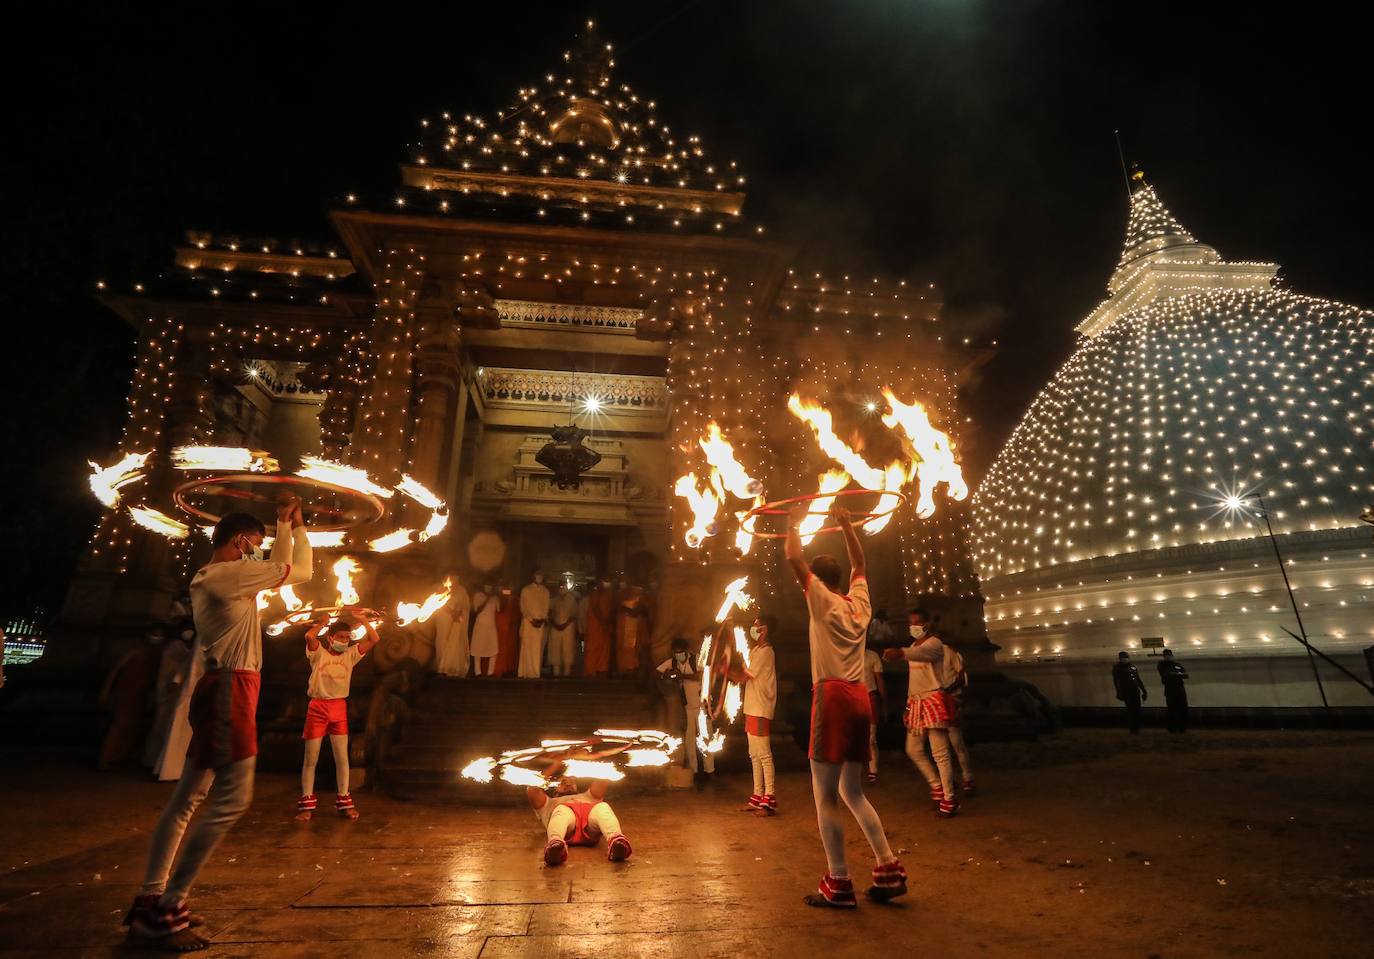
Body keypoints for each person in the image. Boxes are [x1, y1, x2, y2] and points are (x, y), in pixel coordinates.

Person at [125, 499, 312, 950]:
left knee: (188, 798)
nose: (258, 553)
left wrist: (286, 526)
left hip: (223, 686)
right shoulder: (229, 575)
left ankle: (152, 898)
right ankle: (168, 910)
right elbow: (300, 571)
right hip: (232, 689)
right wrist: (294, 528)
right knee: (232, 799)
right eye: (256, 544)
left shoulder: (217, 577)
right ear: (242, 542)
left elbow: (286, 566)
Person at [785, 504, 906, 908]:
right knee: (852, 791)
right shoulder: (859, 603)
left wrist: (792, 522)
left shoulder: (820, 599)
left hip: (834, 697)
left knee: (825, 796)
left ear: (818, 581)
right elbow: (860, 563)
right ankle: (888, 868)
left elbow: (793, 558)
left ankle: (838, 883)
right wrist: (846, 524)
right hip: (859, 696)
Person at [296, 616, 382, 821]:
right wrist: (322, 623)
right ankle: (306, 806)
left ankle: (344, 802)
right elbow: (309, 636)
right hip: (318, 707)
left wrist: (363, 620)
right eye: (340, 637)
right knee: (311, 758)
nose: (344, 641)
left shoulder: (351, 655)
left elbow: (374, 638)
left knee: (342, 758)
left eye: (347, 637)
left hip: (338, 708)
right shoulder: (318, 653)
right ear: (330, 637)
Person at [885, 608, 960, 815]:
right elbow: (913, 680)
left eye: (917, 622)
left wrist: (900, 653)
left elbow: (922, 654)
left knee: (940, 753)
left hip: (933, 699)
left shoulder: (935, 644)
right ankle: (937, 786)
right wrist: (908, 707)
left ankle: (949, 798)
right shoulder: (912, 646)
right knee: (913, 749)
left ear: (927, 624)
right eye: (911, 623)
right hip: (917, 702)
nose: (914, 626)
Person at [527, 757, 633, 866]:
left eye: (571, 781)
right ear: (554, 788)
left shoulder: (589, 796)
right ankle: (555, 846)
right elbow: (532, 788)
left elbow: (604, 776)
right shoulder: (548, 804)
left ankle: (617, 842)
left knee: (603, 807)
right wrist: (557, 763)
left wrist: (586, 757)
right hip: (567, 826)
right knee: (561, 810)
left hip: (590, 827)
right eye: (563, 782)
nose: (568, 784)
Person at [98, 625, 166, 769]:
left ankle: (119, 757)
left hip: (140, 693)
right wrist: (106, 690)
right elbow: (116, 669)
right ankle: (106, 758)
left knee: (132, 725)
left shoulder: (155, 655)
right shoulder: (135, 650)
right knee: (119, 724)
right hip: (125, 692)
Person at [656, 638, 715, 779]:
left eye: (681, 652)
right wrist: (666, 675)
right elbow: (657, 672)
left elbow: (701, 675)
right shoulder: (672, 663)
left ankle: (709, 770)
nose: (679, 655)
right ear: (673, 653)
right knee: (689, 741)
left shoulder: (696, 660)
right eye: (676, 653)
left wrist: (682, 676)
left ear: (687, 651)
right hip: (687, 708)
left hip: (702, 707)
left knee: (706, 738)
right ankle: (693, 771)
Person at [144, 619, 196, 769]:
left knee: (166, 726)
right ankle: (152, 760)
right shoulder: (175, 646)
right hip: (168, 690)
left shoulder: (185, 648)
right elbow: (185, 661)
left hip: (175, 692)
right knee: (160, 727)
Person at [740, 613, 778, 814]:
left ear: (765, 630)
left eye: (756, 626)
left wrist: (727, 669)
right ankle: (757, 796)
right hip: (751, 707)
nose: (753, 629)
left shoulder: (766, 652)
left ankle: (769, 798)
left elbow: (747, 675)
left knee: (764, 754)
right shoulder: (755, 650)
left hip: (761, 707)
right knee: (753, 754)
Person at [432, 574, 471, 678]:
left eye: (456, 577)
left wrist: (458, 613)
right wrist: (450, 611)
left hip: (457, 620)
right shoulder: (440, 588)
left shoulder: (461, 591)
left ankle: (454, 667)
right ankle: (441, 666)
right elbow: (436, 603)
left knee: (455, 641)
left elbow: (465, 605)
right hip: (444, 617)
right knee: (442, 640)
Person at [518, 570, 550, 679]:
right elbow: (523, 607)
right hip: (528, 623)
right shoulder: (526, 590)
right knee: (527, 647)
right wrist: (531, 619)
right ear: (533, 576)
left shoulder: (545, 591)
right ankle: (525, 672)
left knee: (537, 648)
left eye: (541, 575)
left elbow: (546, 606)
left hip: (540, 624)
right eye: (537, 575)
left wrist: (541, 619)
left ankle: (535, 673)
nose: (539, 577)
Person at [862, 642, 886, 783]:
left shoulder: (872, 656)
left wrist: (883, 702)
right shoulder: (845, 655)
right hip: (851, 697)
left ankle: (873, 770)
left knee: (870, 738)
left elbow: (879, 680)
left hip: (869, 696)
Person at [582, 579, 614, 678]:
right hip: (595, 628)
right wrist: (603, 622)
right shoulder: (594, 593)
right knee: (592, 650)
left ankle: (602, 671)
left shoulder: (608, 595)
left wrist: (607, 623)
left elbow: (611, 610)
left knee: (604, 651)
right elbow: (596, 608)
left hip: (605, 629)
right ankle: (590, 673)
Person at [614, 580, 645, 678]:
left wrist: (627, 609)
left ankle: (632, 669)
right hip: (623, 629)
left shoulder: (640, 599)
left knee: (633, 649)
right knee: (623, 649)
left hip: (634, 629)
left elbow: (636, 612)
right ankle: (623, 670)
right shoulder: (621, 598)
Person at [547, 582, 578, 677]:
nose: (561, 588)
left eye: (563, 586)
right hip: (555, 628)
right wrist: (555, 625)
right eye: (560, 586)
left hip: (568, 628)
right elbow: (549, 613)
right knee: (555, 648)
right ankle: (556, 672)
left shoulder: (572, 600)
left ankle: (567, 672)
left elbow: (574, 615)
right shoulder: (554, 600)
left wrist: (565, 625)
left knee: (567, 648)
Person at [1112, 651, 1148, 734]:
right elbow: (1116, 681)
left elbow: (1138, 679)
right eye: (1123, 658)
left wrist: (1144, 690)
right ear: (1120, 659)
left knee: (1137, 709)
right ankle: (1132, 728)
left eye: (1126, 657)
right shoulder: (1117, 668)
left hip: (1135, 691)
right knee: (1131, 710)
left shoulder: (1132, 667)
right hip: (1126, 691)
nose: (1125, 659)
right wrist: (1119, 692)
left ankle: (1137, 727)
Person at [469, 583, 500, 677]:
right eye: (487, 585)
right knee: (477, 648)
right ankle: (478, 672)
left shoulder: (495, 598)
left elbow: (500, 609)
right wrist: (487, 599)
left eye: (490, 586)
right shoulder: (478, 595)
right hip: (480, 626)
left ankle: (490, 672)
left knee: (493, 648)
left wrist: (500, 595)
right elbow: (478, 609)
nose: (488, 587)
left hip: (491, 626)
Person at [1157, 648, 1190, 733]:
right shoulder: (1162, 665)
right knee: (1172, 709)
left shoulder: (1177, 664)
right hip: (1170, 689)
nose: (1168, 657)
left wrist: (1176, 674)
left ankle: (1182, 728)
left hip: (1180, 689)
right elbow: (1167, 674)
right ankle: (1172, 728)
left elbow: (1186, 675)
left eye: (1169, 655)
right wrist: (1179, 674)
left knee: (1183, 708)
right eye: (1166, 656)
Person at [494, 583, 520, 677]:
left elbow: (517, 615)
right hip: (501, 628)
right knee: (501, 648)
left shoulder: (515, 600)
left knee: (509, 649)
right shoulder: (497, 599)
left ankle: (508, 668)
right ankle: (502, 669)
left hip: (510, 628)